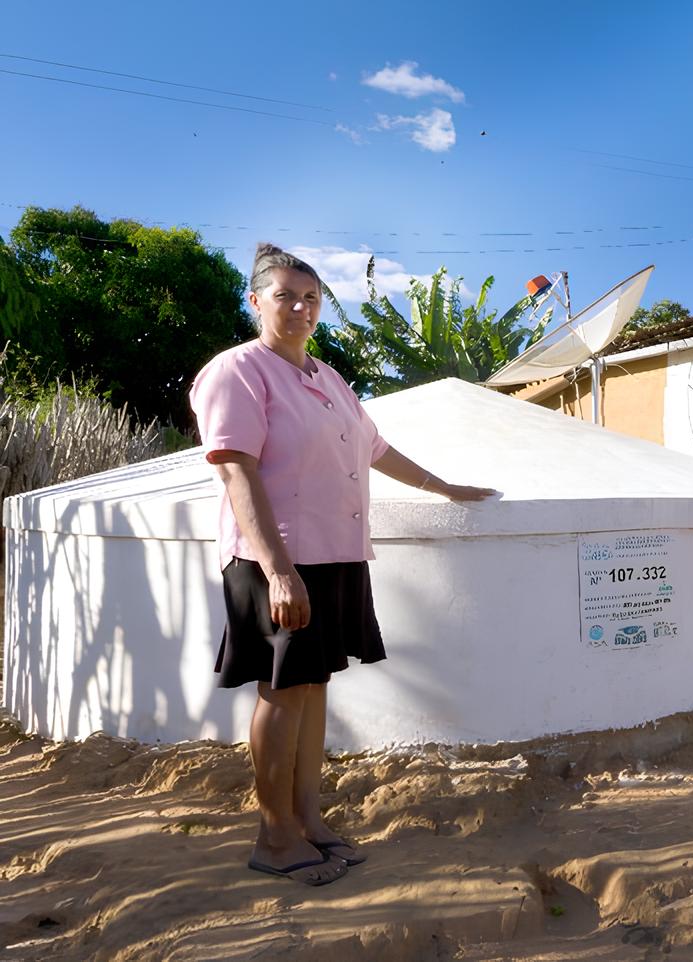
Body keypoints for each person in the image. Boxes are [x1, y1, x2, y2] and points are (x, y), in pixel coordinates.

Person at [190, 243, 494, 886]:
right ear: (255, 302)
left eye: (310, 298)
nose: (300, 308)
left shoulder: (327, 378)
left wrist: (445, 488)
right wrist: (278, 571)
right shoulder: (238, 371)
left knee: (314, 686)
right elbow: (237, 472)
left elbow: (376, 449)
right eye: (285, 297)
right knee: (282, 690)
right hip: (275, 557)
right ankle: (273, 838)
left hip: (337, 556)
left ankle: (308, 820)